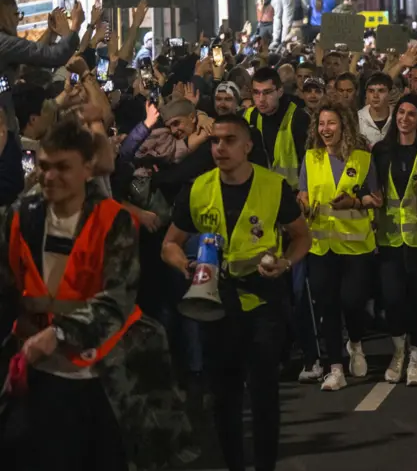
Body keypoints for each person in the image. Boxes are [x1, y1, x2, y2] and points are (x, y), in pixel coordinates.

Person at [2, 117, 196, 471]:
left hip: (107, 378)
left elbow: (115, 299)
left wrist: (59, 333)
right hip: (43, 378)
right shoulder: (21, 216)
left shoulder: (112, 220)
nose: (50, 177)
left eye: (63, 167)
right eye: (44, 166)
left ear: (87, 168)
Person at [162, 115, 310, 471]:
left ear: (247, 147)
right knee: (224, 397)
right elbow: (170, 243)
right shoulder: (198, 188)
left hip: (263, 301)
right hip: (215, 303)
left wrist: (286, 264)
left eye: (229, 140)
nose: (220, 148)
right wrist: (184, 264)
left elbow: (302, 236)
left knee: (263, 394)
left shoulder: (273, 187)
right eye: (215, 141)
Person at [299, 101, 378, 391]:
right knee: (327, 306)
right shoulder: (311, 158)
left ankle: (355, 341)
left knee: (353, 302)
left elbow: (375, 198)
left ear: (343, 125)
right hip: (321, 247)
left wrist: (355, 203)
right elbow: (304, 195)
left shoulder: (362, 158)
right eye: (321, 124)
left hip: (356, 247)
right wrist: (304, 206)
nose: (325, 129)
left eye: (331, 123)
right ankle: (335, 368)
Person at [371, 93, 417, 386]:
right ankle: (399, 353)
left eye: (411, 114)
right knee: (393, 300)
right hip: (389, 238)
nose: (404, 118)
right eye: (400, 113)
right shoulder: (382, 151)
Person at [0, 0, 84, 130]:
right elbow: (54, 56)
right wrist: (75, 26)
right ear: (4, 17)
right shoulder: (4, 42)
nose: (18, 20)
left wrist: (50, 33)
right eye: (16, 14)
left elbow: (27, 59)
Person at [244, 67, 309, 187]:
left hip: (292, 193)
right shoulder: (249, 116)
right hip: (260, 190)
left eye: (267, 92)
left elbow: (309, 162)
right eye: (256, 93)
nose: (261, 99)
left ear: (280, 91)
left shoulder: (298, 118)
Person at [358, 72, 394, 147]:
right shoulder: (357, 119)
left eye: (381, 91)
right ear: (366, 94)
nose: (375, 96)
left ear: (389, 93)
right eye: (371, 91)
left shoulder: (398, 117)